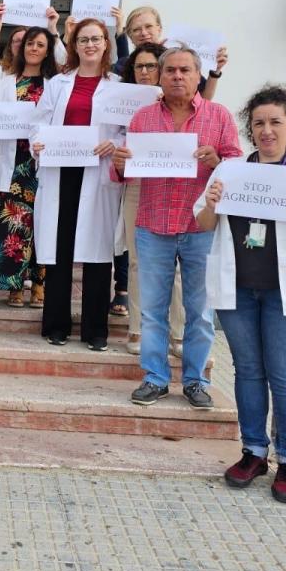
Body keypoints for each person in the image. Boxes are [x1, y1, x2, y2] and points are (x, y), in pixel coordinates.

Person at [195, 84, 286, 504]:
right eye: (258, 123)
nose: (266, 130)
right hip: (239, 291)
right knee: (247, 371)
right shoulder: (230, 172)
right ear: (250, 128)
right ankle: (254, 452)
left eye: (275, 122)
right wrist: (211, 203)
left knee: (285, 375)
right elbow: (205, 224)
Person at [113, 44, 242, 409]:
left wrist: (218, 160)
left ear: (198, 75)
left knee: (200, 311)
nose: (177, 77)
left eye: (185, 70)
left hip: (200, 228)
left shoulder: (218, 117)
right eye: (170, 71)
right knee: (153, 309)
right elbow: (125, 171)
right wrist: (121, 163)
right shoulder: (142, 119)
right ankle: (154, 378)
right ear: (160, 75)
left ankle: (195, 381)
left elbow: (236, 164)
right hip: (154, 224)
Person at [31, 18, 123, 349]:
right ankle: (56, 324)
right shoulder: (58, 84)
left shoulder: (118, 85)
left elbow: (128, 128)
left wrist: (115, 143)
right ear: (74, 45)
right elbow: (38, 124)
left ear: (106, 44)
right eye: (83, 39)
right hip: (61, 172)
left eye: (96, 39)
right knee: (60, 247)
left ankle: (95, 330)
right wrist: (37, 144)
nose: (89, 45)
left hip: (97, 173)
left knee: (97, 251)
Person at [109, 43, 186, 357]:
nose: (145, 71)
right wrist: (119, 157)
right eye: (139, 66)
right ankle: (137, 328)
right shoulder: (131, 107)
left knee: (178, 265)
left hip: (179, 188)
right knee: (138, 261)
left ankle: (178, 332)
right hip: (139, 185)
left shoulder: (188, 105)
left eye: (151, 65)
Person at [0, 27, 58, 307]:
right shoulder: (7, 83)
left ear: (49, 50)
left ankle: (39, 284)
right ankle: (14, 286)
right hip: (13, 166)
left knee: (42, 224)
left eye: (41, 44)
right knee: (13, 223)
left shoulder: (55, 84)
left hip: (42, 164)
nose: (34, 48)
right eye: (30, 43)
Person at [121, 5, 229, 101]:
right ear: (130, 35)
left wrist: (215, 72)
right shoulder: (121, 65)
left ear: (159, 29)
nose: (144, 33)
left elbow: (204, 98)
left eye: (148, 26)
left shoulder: (178, 59)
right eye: (136, 29)